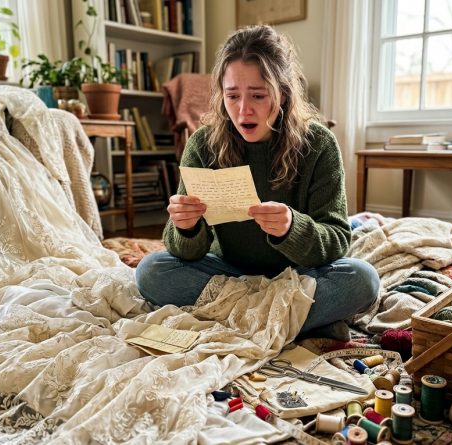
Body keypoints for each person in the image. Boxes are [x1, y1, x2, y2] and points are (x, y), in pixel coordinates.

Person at [135, 25, 378, 338]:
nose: (243, 110)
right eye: (232, 96)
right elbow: (183, 251)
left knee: (363, 279)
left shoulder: (319, 144)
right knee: (151, 271)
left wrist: (292, 228)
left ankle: (240, 318)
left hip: (298, 275)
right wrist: (185, 227)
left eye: (258, 96)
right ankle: (290, 320)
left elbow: (337, 240)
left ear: (283, 93)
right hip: (228, 275)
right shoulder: (203, 145)